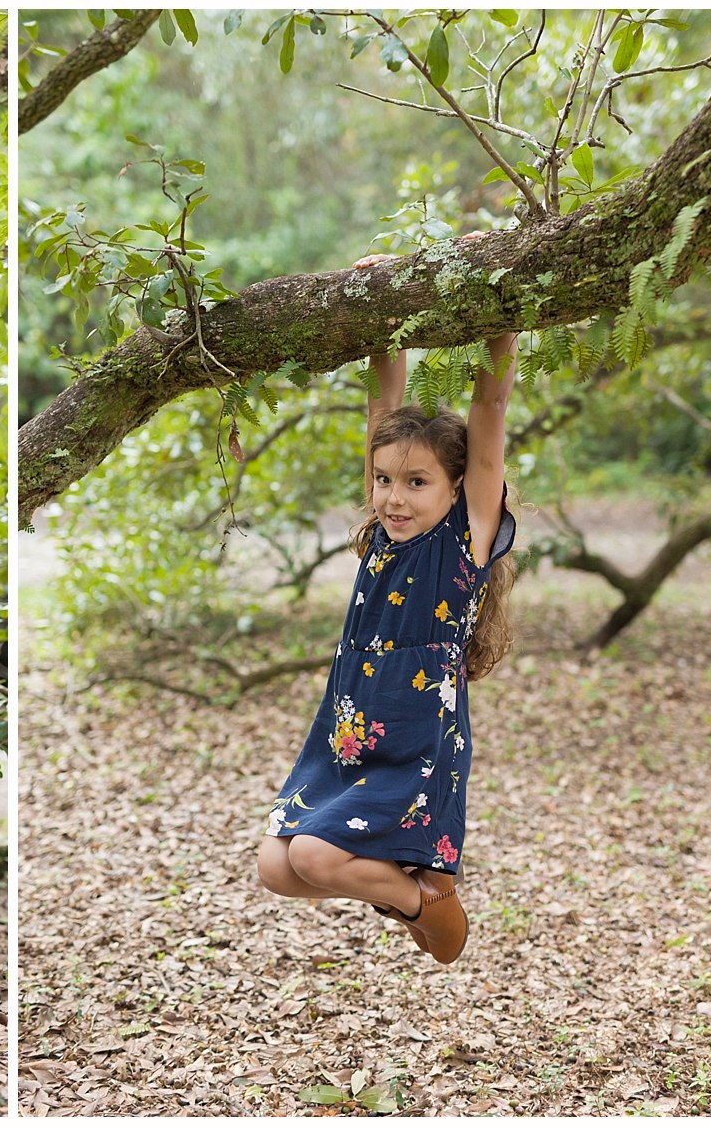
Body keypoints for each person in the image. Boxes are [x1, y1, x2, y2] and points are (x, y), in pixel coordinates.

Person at [256, 252, 518, 964]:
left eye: (417, 482)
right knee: (276, 867)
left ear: (458, 486)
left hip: (414, 734)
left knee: (312, 853)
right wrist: (381, 322)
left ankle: (426, 903)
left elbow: (489, 411)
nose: (395, 497)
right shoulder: (381, 535)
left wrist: (506, 323)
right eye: (383, 479)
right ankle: (407, 885)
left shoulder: (466, 536)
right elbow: (383, 409)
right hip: (349, 725)